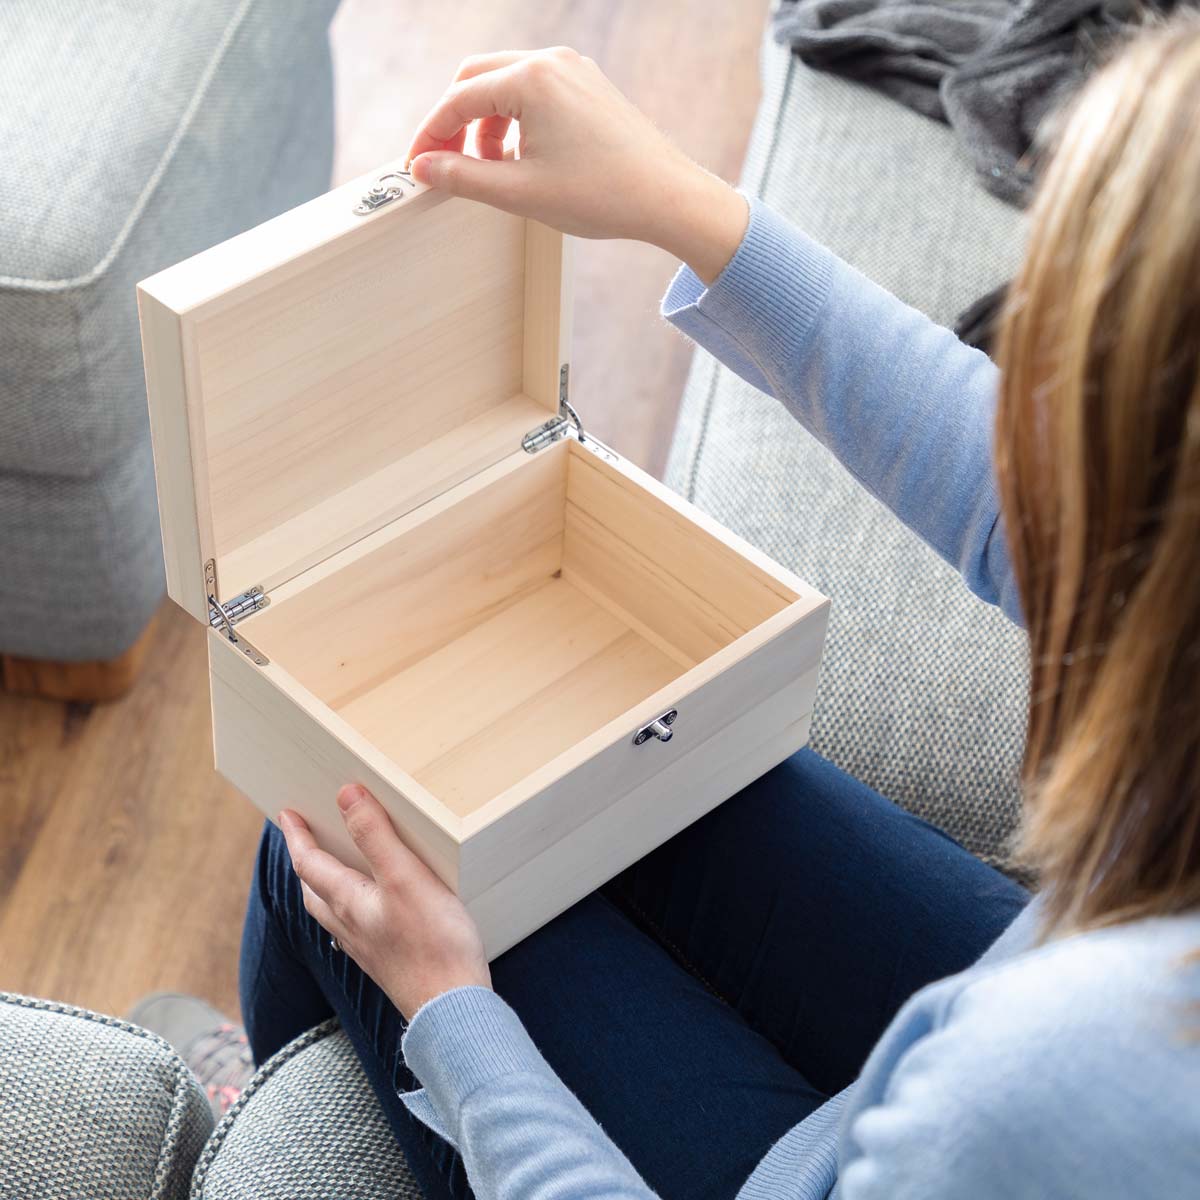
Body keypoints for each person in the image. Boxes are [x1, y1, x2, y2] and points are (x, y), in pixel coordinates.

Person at [140, 16, 1200, 1199]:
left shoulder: (1034, 1099)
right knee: (606, 790)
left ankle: (266, 1115)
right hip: (1022, 989)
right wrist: (684, 206)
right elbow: (1081, 522)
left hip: (901, 1139)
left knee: (327, 850)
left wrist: (453, 1021)